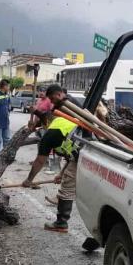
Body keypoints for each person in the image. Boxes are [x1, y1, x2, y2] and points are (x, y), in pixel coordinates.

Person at [22, 85, 82, 232]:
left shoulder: (49, 135)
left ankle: (61, 224)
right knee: (71, 182)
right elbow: (70, 156)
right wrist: (60, 174)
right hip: (83, 154)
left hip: (83, 156)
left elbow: (40, 161)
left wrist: (29, 180)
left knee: (66, 190)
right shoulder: (65, 123)